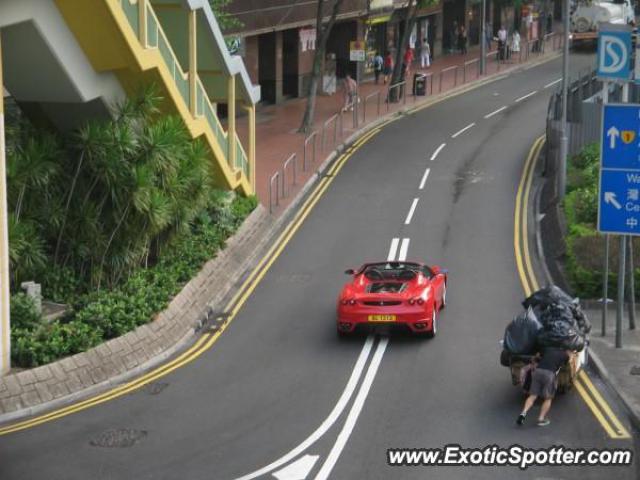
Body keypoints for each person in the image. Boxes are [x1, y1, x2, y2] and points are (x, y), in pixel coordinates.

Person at [516, 347, 572, 427]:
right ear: (567, 349)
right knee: (548, 398)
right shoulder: (565, 355)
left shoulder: (549, 349)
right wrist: (570, 356)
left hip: (537, 372)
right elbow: (566, 364)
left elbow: (538, 355)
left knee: (532, 396)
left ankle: (523, 413)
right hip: (549, 374)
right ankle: (541, 419)